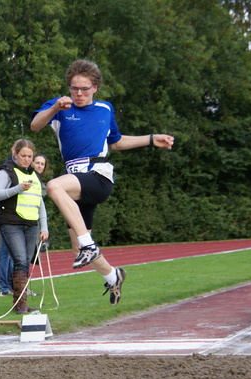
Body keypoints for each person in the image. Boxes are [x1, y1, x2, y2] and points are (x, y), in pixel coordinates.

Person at [31, 59, 174, 306]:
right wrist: (55, 108)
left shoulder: (105, 109)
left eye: (84, 89)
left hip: (97, 176)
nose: (78, 94)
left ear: (95, 87)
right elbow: (35, 126)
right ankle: (113, 275)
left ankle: (89, 245)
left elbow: (116, 142)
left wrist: (151, 139)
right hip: (75, 183)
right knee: (76, 249)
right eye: (74, 88)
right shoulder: (59, 107)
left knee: (53, 186)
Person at [0, 139, 49, 314]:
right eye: (23, 155)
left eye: (30, 156)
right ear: (14, 154)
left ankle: (20, 302)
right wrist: (17, 189)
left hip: (31, 224)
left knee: (25, 262)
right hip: (11, 223)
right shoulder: (5, 172)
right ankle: (20, 304)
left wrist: (44, 227)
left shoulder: (34, 175)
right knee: (20, 260)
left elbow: (40, 202)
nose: (26, 159)